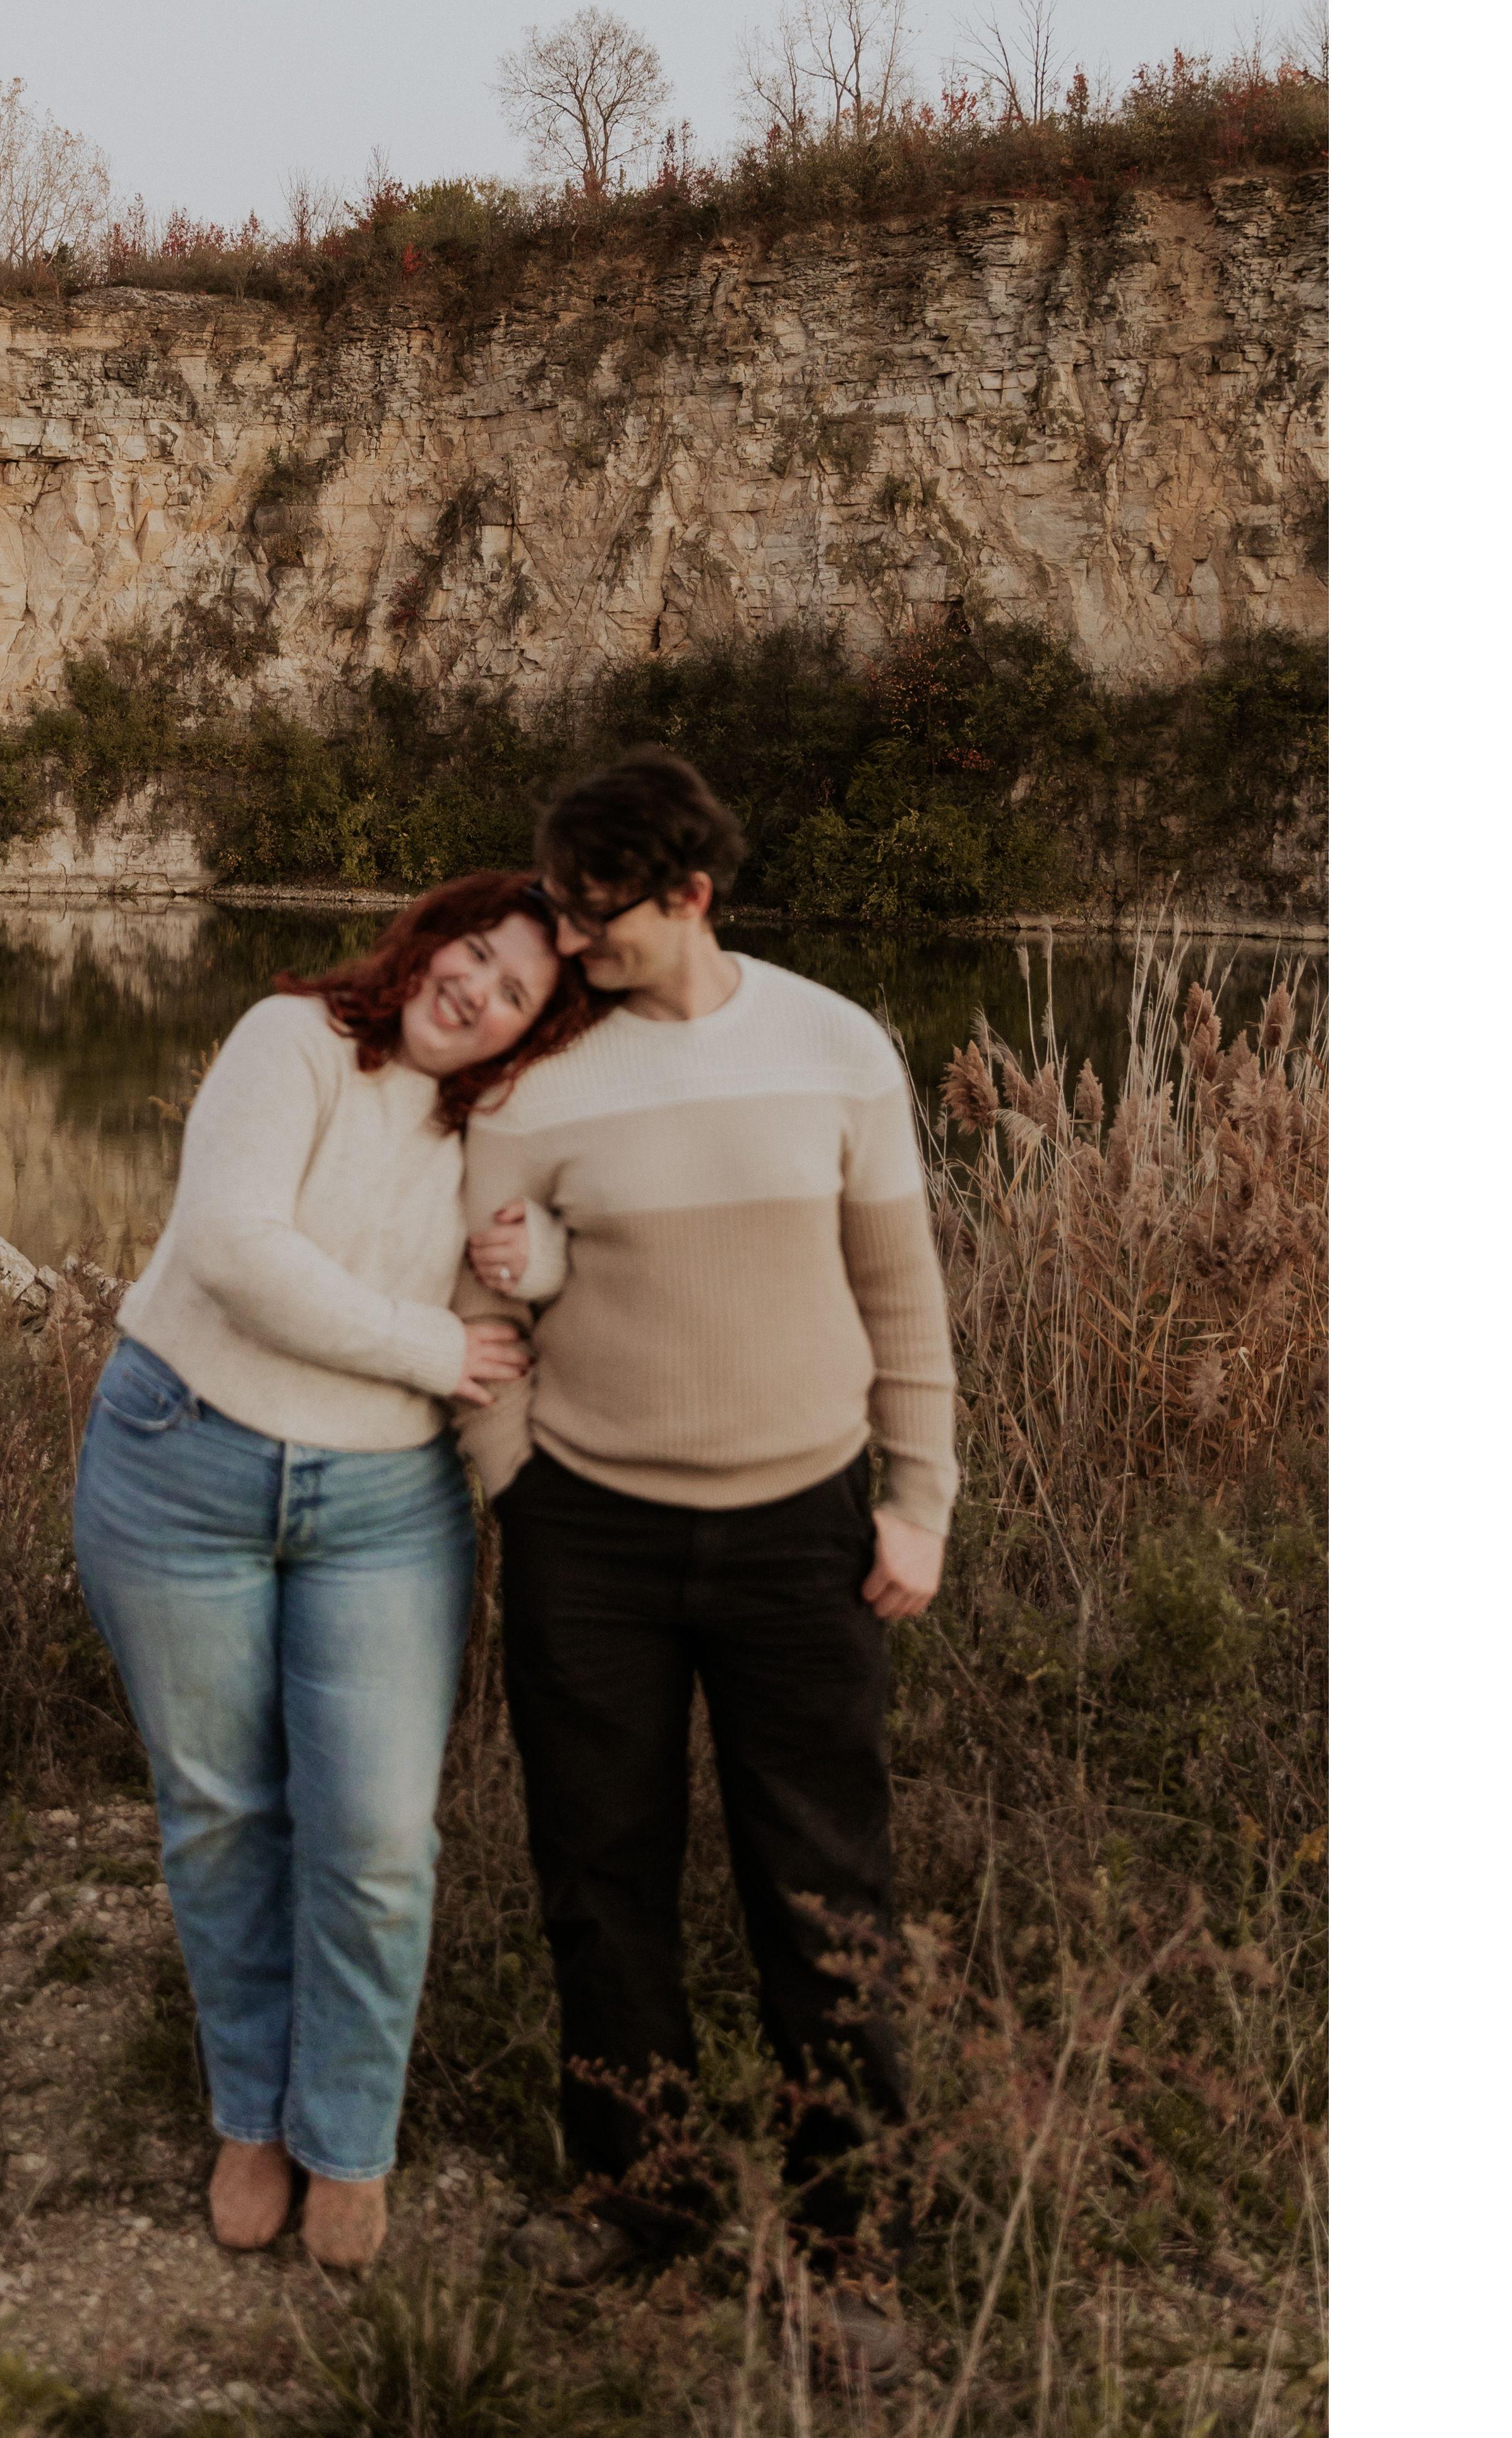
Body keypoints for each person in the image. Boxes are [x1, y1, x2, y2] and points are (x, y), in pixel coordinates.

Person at [459, 750, 955, 2375]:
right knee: (599, 1879)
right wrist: (514, 1477)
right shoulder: (533, 1084)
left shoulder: (835, 1046)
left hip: (800, 1534)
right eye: (557, 908)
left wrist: (917, 1499)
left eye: (595, 912)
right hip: (587, 1538)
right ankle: (641, 2198)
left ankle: (850, 2242)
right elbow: (480, 1299)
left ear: (690, 891)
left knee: (819, 1888)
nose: (566, 939)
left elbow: (900, 1295)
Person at [73, 873, 601, 2270]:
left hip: (382, 1505)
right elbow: (236, 1251)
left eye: (513, 990)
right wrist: (432, 1346)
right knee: (221, 1811)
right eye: (470, 951)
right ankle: (251, 2115)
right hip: (179, 1460)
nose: (473, 990)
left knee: (374, 1839)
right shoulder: (291, 1038)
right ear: (427, 938)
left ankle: (348, 2139)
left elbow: (593, 1228)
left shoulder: (503, 1122)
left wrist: (540, 1250)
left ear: (533, 1029)